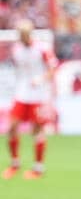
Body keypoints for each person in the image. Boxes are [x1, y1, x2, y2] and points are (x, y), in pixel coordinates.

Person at [2, 19, 57, 180]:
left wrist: (41, 79)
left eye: (24, 34)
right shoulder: (17, 50)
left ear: (29, 34)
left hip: (38, 95)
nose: (22, 37)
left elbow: (52, 69)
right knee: (12, 128)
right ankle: (15, 164)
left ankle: (38, 168)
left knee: (36, 131)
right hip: (21, 93)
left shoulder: (42, 49)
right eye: (20, 34)